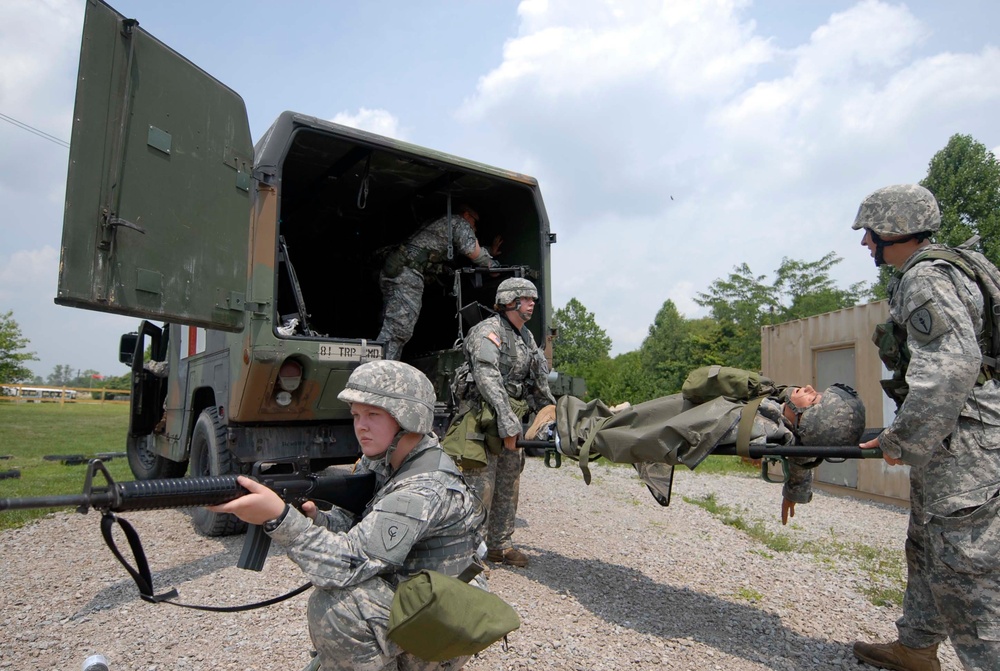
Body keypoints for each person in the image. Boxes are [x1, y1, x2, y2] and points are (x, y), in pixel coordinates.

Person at [208, 360, 488, 671]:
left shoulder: (422, 488)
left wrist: (280, 518)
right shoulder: (384, 461)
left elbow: (347, 565)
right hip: (420, 591)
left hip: (447, 619)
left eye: (373, 414)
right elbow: (360, 526)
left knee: (338, 609)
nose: (360, 426)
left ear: (407, 419)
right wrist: (318, 519)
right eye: (356, 415)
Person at [849, 184, 1000, 671]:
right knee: (928, 546)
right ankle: (916, 648)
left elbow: (952, 367)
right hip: (954, 437)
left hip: (966, 444)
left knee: (966, 567)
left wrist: (902, 439)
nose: (866, 244)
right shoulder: (955, 268)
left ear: (895, 229)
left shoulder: (926, 280)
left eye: (870, 233)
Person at [547, 372, 865, 519]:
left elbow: (667, 433)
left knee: (632, 427)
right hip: (686, 411)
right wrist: (795, 489)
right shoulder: (779, 416)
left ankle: (565, 430)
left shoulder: (763, 426)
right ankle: (593, 421)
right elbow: (804, 447)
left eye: (814, 397)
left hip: (685, 417)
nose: (808, 388)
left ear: (807, 418)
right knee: (636, 418)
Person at [446, 277, 556, 568]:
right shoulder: (487, 331)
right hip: (480, 422)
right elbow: (487, 377)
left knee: (509, 482)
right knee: (480, 488)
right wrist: (509, 423)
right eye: (527, 298)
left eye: (533, 299)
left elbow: (537, 381)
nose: (533, 303)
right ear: (511, 301)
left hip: (508, 422)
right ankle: (468, 556)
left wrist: (551, 415)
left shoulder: (525, 337)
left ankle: (500, 545)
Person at [376, 204, 500, 361]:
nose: (474, 228)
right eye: (475, 223)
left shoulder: (442, 222)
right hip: (407, 275)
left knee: (391, 325)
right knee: (399, 328)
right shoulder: (459, 222)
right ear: (467, 216)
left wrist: (488, 250)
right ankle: (379, 368)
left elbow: (455, 252)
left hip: (395, 269)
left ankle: (382, 364)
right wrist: (492, 265)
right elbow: (472, 252)